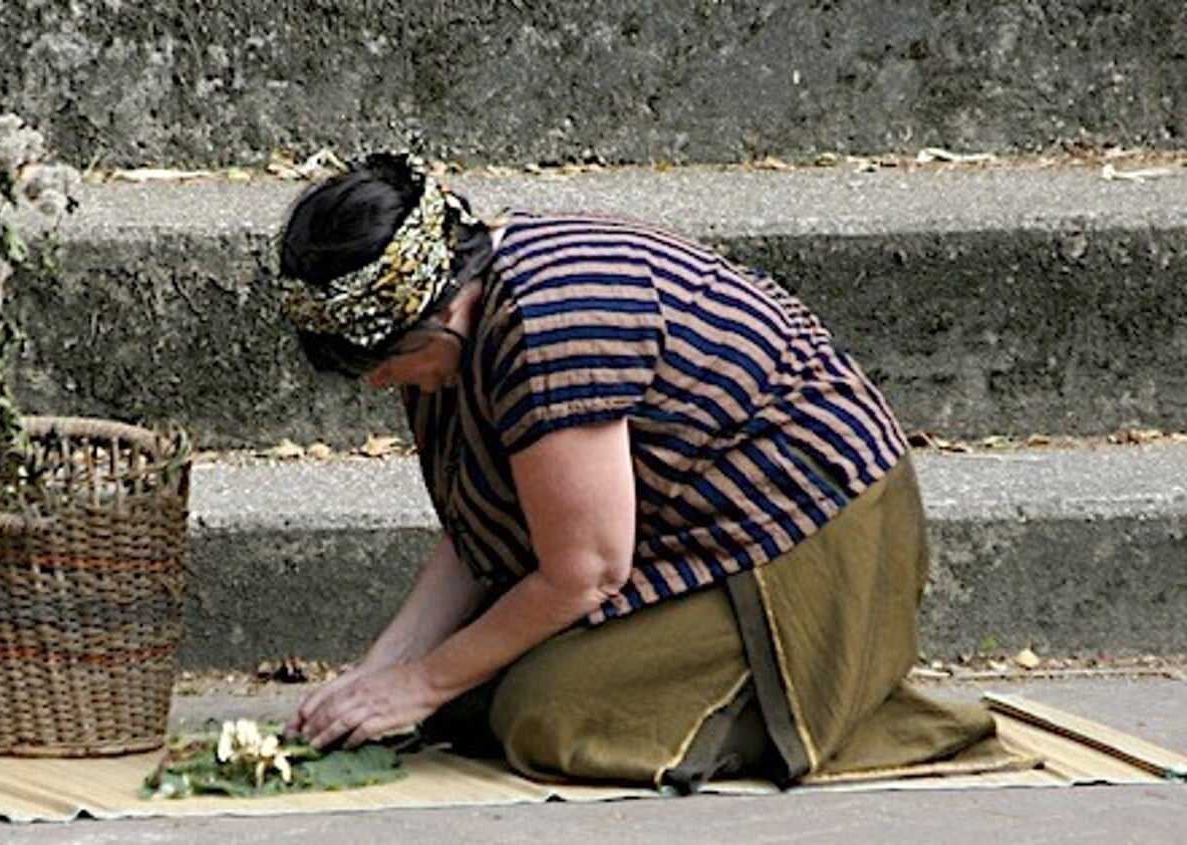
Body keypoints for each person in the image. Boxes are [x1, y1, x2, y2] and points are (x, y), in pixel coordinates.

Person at [276, 153, 1009, 789]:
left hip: (806, 533)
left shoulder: (547, 320)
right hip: (674, 535)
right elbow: (486, 531)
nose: (377, 384)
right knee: (445, 699)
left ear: (440, 313)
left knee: (544, 714)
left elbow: (586, 569)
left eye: (381, 361)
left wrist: (422, 680)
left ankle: (806, 695)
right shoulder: (455, 334)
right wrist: (382, 672)